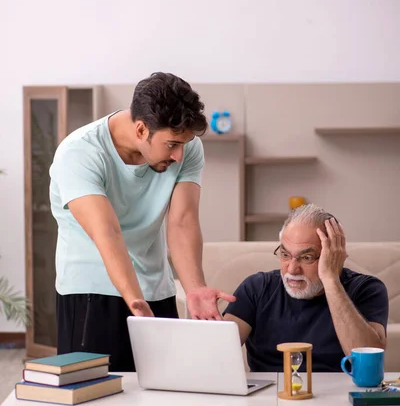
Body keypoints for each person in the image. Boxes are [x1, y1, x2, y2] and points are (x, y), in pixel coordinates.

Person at [50, 72, 235, 371]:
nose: (178, 155)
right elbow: (107, 233)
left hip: (156, 291)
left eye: (184, 144)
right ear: (140, 129)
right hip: (90, 293)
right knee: (94, 403)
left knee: (165, 396)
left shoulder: (185, 147)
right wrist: (134, 301)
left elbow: (183, 221)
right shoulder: (80, 153)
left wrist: (194, 288)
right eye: (172, 144)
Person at [224, 204, 388, 372]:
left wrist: (331, 279)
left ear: (334, 255)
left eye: (307, 257)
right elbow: (217, 354)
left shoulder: (367, 289)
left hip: (338, 394)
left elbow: (369, 364)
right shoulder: (256, 288)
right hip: (266, 394)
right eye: (285, 255)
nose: (292, 269)